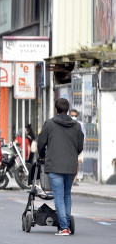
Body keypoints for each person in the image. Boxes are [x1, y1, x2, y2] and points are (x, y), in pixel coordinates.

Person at [37, 98, 84, 236]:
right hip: (70, 165)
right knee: (66, 194)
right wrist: (72, 155)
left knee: (58, 195)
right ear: (68, 109)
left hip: (54, 164)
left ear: (56, 110)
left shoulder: (49, 124)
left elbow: (41, 143)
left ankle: (64, 227)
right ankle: (66, 224)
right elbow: (80, 146)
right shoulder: (76, 126)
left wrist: (42, 155)